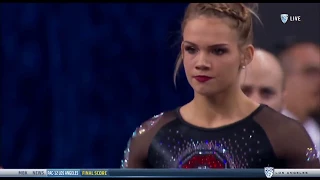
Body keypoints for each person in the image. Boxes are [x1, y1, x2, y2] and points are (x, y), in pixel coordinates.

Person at [121, 3, 320, 168]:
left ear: (246, 55)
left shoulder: (286, 136)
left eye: (218, 51)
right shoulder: (150, 137)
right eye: (192, 49)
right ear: (182, 50)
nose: (201, 63)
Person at [279, 42, 320, 152]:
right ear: (284, 78)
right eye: (311, 72)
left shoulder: (314, 132)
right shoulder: (267, 132)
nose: (318, 81)